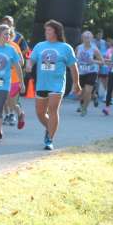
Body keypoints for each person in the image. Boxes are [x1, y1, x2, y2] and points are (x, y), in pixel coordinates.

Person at [27, 20, 81, 151]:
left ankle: (49, 139)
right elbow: (31, 59)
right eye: (45, 30)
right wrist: (29, 65)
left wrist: (76, 83)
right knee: (40, 113)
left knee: (52, 110)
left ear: (56, 32)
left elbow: (73, 67)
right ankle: (50, 127)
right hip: (42, 84)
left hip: (57, 84)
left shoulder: (66, 48)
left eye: (49, 30)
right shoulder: (40, 46)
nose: (46, 32)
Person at [75, 31, 104, 116]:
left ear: (91, 39)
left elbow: (102, 62)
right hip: (81, 72)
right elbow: (74, 59)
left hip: (92, 71)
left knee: (88, 91)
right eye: (85, 37)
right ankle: (82, 103)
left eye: (88, 37)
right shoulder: (78, 48)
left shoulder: (94, 49)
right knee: (81, 92)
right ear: (82, 38)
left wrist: (93, 61)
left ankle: (84, 108)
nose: (87, 39)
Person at [2, 27, 25, 128]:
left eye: (8, 34)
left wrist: (12, 64)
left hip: (13, 79)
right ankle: (7, 115)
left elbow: (21, 62)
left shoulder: (14, 46)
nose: (7, 37)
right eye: (4, 34)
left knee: (11, 102)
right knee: (2, 100)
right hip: (0, 78)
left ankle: (18, 113)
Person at [93, 29, 109, 100]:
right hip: (96, 61)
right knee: (96, 78)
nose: (100, 36)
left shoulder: (104, 42)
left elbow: (108, 51)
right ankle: (96, 92)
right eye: (98, 34)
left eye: (101, 34)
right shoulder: (92, 42)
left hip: (103, 61)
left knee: (104, 78)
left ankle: (107, 92)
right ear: (96, 34)